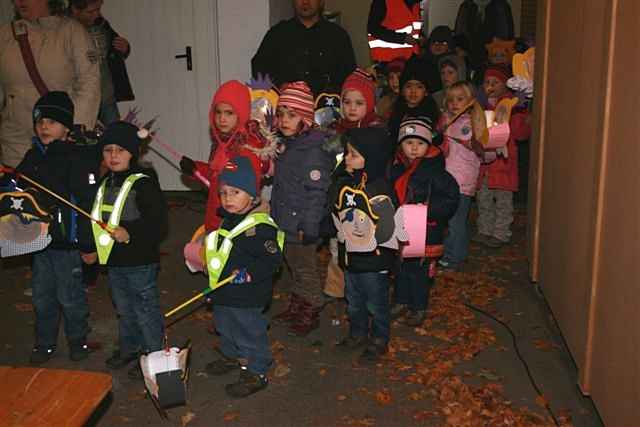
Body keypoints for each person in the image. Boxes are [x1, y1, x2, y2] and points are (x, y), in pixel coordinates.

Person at [82, 121, 168, 379]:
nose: (113, 156)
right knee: (124, 309)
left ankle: (153, 355)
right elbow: (96, 219)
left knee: (145, 310)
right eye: (108, 150)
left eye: (120, 150)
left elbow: (158, 224)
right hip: (115, 262)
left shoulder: (144, 184)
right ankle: (130, 348)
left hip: (140, 261)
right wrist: (93, 249)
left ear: (133, 152)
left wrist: (131, 233)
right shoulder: (104, 183)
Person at [15, 91, 92, 365]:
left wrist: (87, 244)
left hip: (65, 243)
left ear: (66, 127)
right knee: (42, 297)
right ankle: (44, 342)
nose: (44, 127)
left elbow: (85, 204)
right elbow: (19, 189)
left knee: (70, 298)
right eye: (40, 122)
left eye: (51, 122)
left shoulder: (75, 157)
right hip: (38, 241)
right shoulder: (32, 155)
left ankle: (77, 339)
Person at [203, 155, 283, 398]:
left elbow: (272, 261)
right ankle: (232, 356)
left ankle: (256, 370)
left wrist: (248, 274)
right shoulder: (227, 220)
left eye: (236, 192)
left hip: (248, 295)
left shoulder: (260, 228)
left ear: (253, 196)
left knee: (249, 331)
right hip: (224, 292)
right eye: (224, 192)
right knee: (225, 326)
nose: (228, 198)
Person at [0, 0, 100, 167]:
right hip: (15, 138)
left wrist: (74, 130)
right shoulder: (5, 35)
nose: (20, 2)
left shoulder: (72, 32)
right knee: (19, 191)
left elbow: (89, 83)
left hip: (60, 139)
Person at [269, 81, 333, 336]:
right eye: (281, 113)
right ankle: (299, 303)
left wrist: (310, 223)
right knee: (293, 264)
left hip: (302, 223)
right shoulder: (288, 144)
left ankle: (312, 305)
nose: (284, 120)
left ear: (305, 118)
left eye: (292, 115)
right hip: (285, 219)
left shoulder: (313, 150)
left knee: (305, 268)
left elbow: (317, 191)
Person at [332, 127, 396, 362]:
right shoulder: (347, 183)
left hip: (374, 260)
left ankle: (379, 338)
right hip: (351, 258)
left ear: (372, 158)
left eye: (353, 155)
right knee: (354, 301)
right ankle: (357, 332)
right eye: (347, 153)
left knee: (376, 303)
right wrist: (341, 174)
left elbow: (388, 228)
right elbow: (334, 204)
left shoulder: (380, 190)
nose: (347, 158)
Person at [179, 80, 275, 232]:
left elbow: (247, 189)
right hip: (216, 215)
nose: (222, 119)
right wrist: (195, 168)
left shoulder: (247, 148)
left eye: (229, 113)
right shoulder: (221, 143)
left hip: (235, 220)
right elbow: (215, 176)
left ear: (241, 113)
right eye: (218, 112)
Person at [390, 116, 459, 325]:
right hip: (400, 227)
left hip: (426, 230)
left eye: (420, 143)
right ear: (401, 144)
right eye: (409, 143)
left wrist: (428, 211)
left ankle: (418, 306)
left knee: (419, 271)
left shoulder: (435, 171)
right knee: (400, 268)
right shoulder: (396, 167)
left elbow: (450, 198)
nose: (414, 148)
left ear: (428, 145)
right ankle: (401, 300)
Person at [474, 65, 531, 248]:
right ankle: (485, 230)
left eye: (495, 82)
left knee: (503, 202)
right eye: (486, 82)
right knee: (484, 200)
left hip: (504, 163)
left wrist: (520, 113)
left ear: (505, 85)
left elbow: (521, 133)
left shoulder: (512, 105)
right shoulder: (480, 106)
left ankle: (501, 233)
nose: (490, 86)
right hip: (485, 164)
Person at [251, 0, 356, 96]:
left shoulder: (338, 36)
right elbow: (259, 68)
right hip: (286, 109)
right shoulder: (278, 34)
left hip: (327, 110)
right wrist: (277, 87)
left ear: (322, 2)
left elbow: (350, 78)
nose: (305, 1)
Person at [437, 82, 485, 270]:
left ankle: (455, 256)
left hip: (463, 180)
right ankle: (449, 250)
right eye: (450, 100)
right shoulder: (447, 120)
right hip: (447, 178)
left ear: (471, 101)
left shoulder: (473, 123)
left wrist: (474, 143)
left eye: (460, 99)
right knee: (448, 219)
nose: (454, 104)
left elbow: (483, 151)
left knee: (457, 221)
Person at [69, 0, 135, 125]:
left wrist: (124, 48)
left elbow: (114, 49)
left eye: (98, 9)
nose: (97, 15)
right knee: (82, 138)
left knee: (115, 137)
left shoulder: (102, 25)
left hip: (106, 96)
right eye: (90, 11)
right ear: (75, 10)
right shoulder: (65, 30)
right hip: (79, 98)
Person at [388, 57, 440, 145]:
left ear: (426, 91)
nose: (413, 91)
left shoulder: (431, 113)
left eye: (419, 87)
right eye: (408, 86)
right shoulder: (396, 111)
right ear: (402, 90)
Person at [337, 68, 384, 133]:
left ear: (369, 105)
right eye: (347, 102)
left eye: (359, 103)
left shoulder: (375, 128)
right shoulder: (339, 126)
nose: (352, 108)